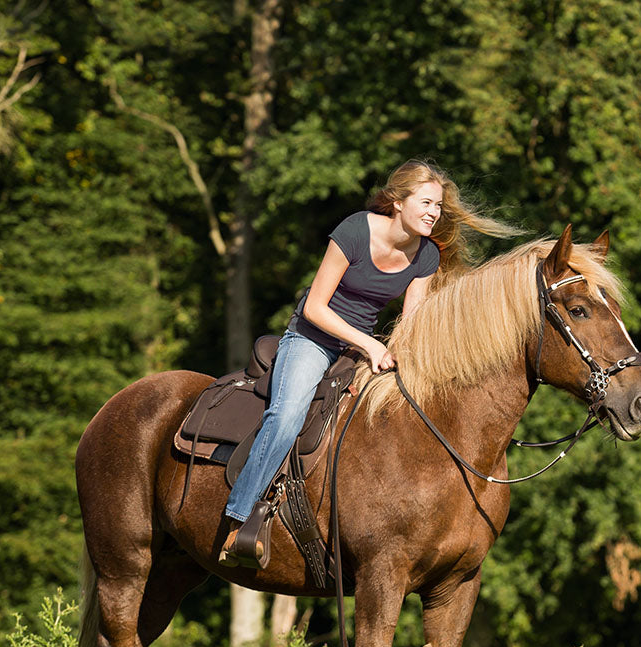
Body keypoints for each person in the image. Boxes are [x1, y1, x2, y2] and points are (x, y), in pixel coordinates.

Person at [221, 160, 517, 564]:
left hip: (360, 350)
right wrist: (370, 346)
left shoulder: (426, 255)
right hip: (312, 339)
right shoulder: (355, 231)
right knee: (288, 415)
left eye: (438, 206)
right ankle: (237, 519)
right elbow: (315, 307)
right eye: (426, 202)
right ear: (397, 202)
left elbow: (410, 324)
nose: (434, 212)